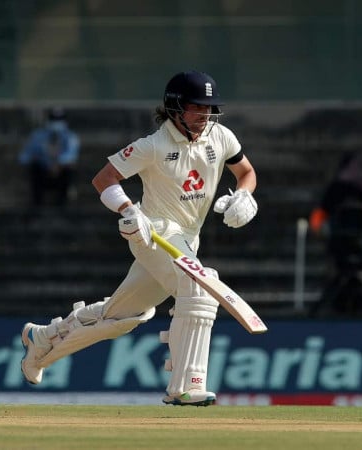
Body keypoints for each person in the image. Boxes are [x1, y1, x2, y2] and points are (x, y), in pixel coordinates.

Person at [20, 70, 258, 406]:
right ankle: (186, 386)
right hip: (154, 233)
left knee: (122, 317)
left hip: (187, 238)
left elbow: (246, 172)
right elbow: (104, 179)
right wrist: (129, 210)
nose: (204, 116)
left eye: (209, 109)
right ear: (175, 108)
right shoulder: (153, 145)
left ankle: (40, 340)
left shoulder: (221, 137)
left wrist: (245, 196)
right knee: (199, 286)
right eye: (196, 108)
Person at [308, 151, 362, 317]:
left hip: (346, 249)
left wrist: (322, 233)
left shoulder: (336, 189)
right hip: (359, 249)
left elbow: (316, 221)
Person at [18, 107, 80, 207]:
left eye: (59, 120)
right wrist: (41, 160)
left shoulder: (70, 136)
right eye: (54, 119)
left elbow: (71, 155)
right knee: (34, 169)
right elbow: (24, 157)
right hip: (42, 172)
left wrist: (58, 164)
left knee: (70, 169)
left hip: (61, 173)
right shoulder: (37, 136)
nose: (56, 123)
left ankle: (63, 204)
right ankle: (36, 205)